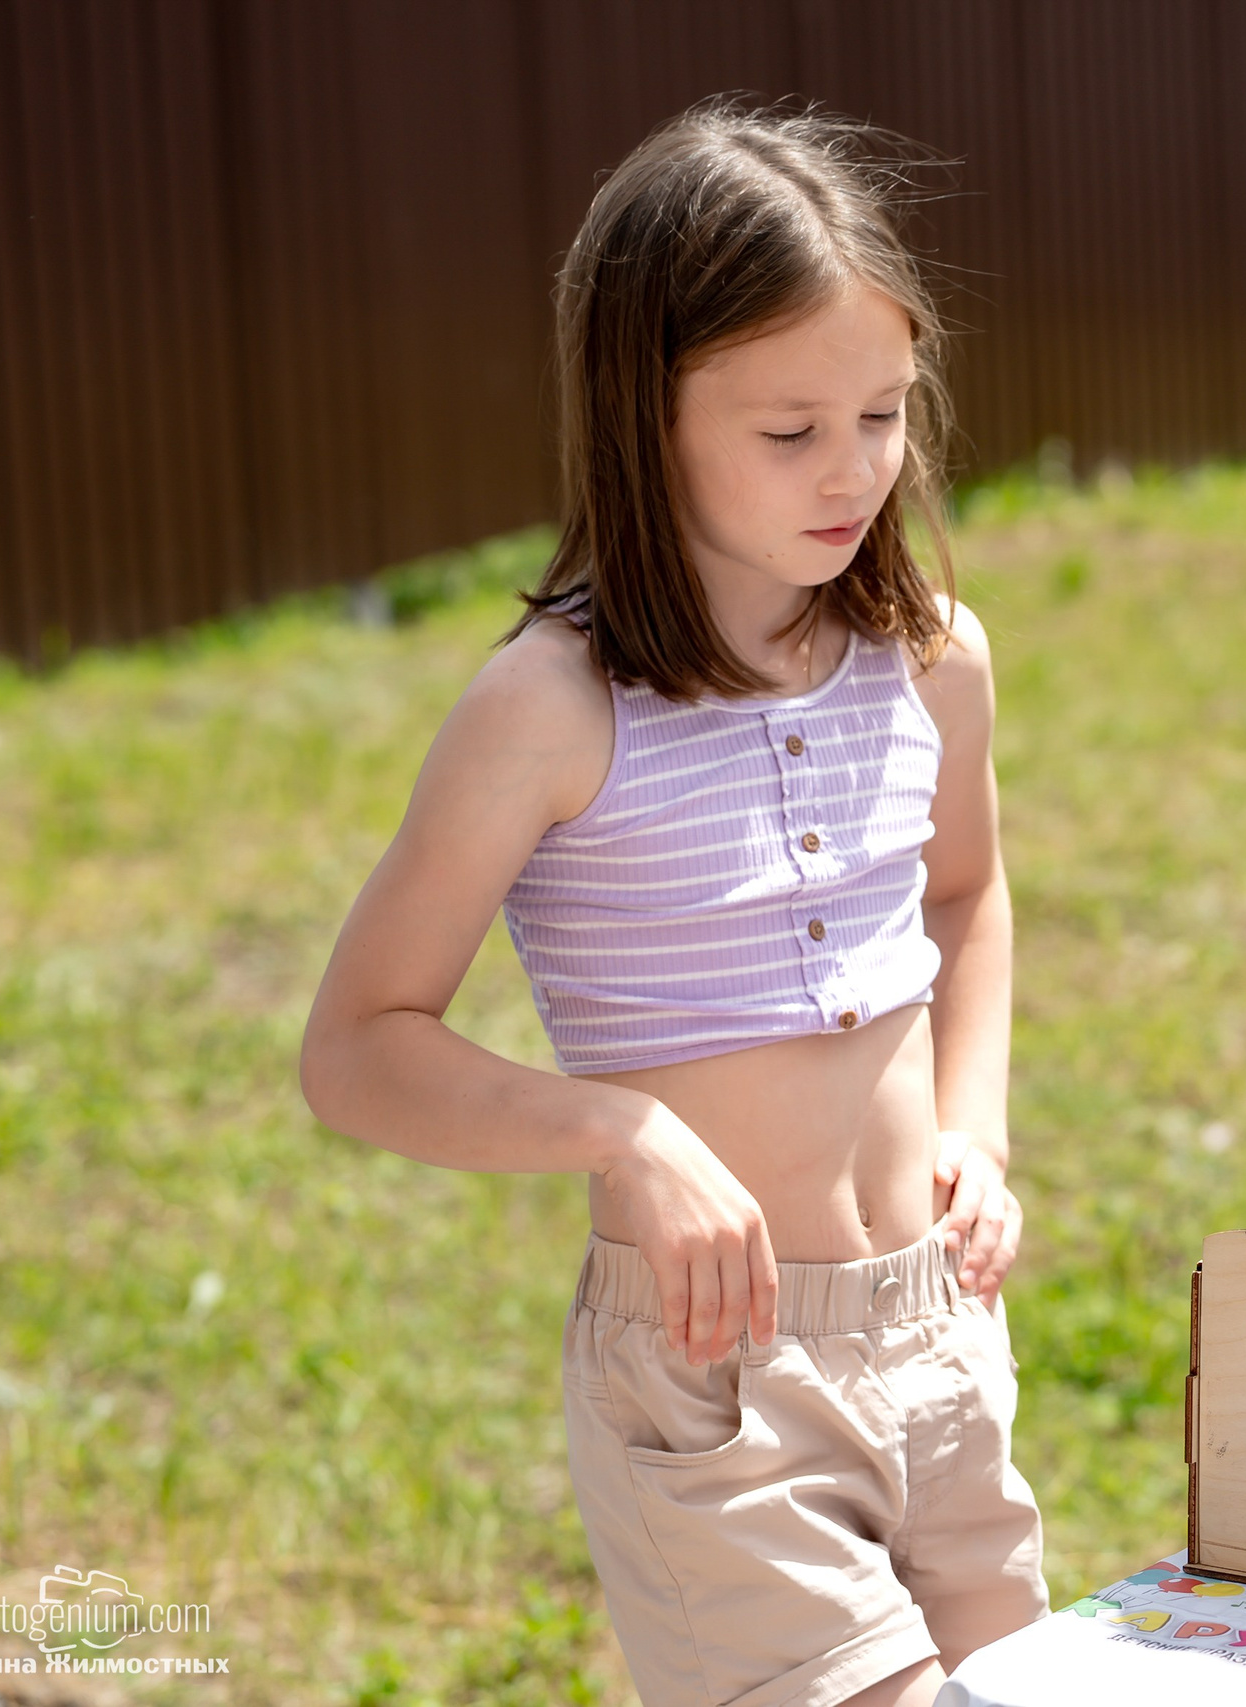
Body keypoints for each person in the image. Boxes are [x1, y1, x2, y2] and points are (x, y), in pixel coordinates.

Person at [299, 99, 1044, 1707]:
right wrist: (619, 1134)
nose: (853, 470)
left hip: (938, 1332)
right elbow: (356, 1045)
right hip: (717, 1380)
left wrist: (975, 1125)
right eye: (791, 432)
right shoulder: (553, 707)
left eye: (885, 413)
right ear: (647, 415)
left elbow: (968, 894)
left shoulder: (933, 657)